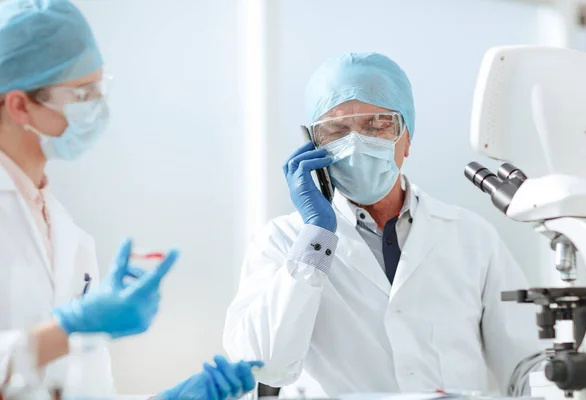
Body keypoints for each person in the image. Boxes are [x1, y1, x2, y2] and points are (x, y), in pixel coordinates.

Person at [223, 52, 543, 396]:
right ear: (312, 145)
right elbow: (262, 364)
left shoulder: (471, 237)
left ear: (407, 137)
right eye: (336, 130)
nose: (358, 142)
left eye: (377, 124)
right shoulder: (283, 241)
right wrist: (316, 236)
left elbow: (526, 365)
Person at [0, 1, 260, 399]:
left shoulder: (66, 232)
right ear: (19, 105)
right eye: (83, 94)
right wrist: (69, 329)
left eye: (99, 89)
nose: (99, 108)